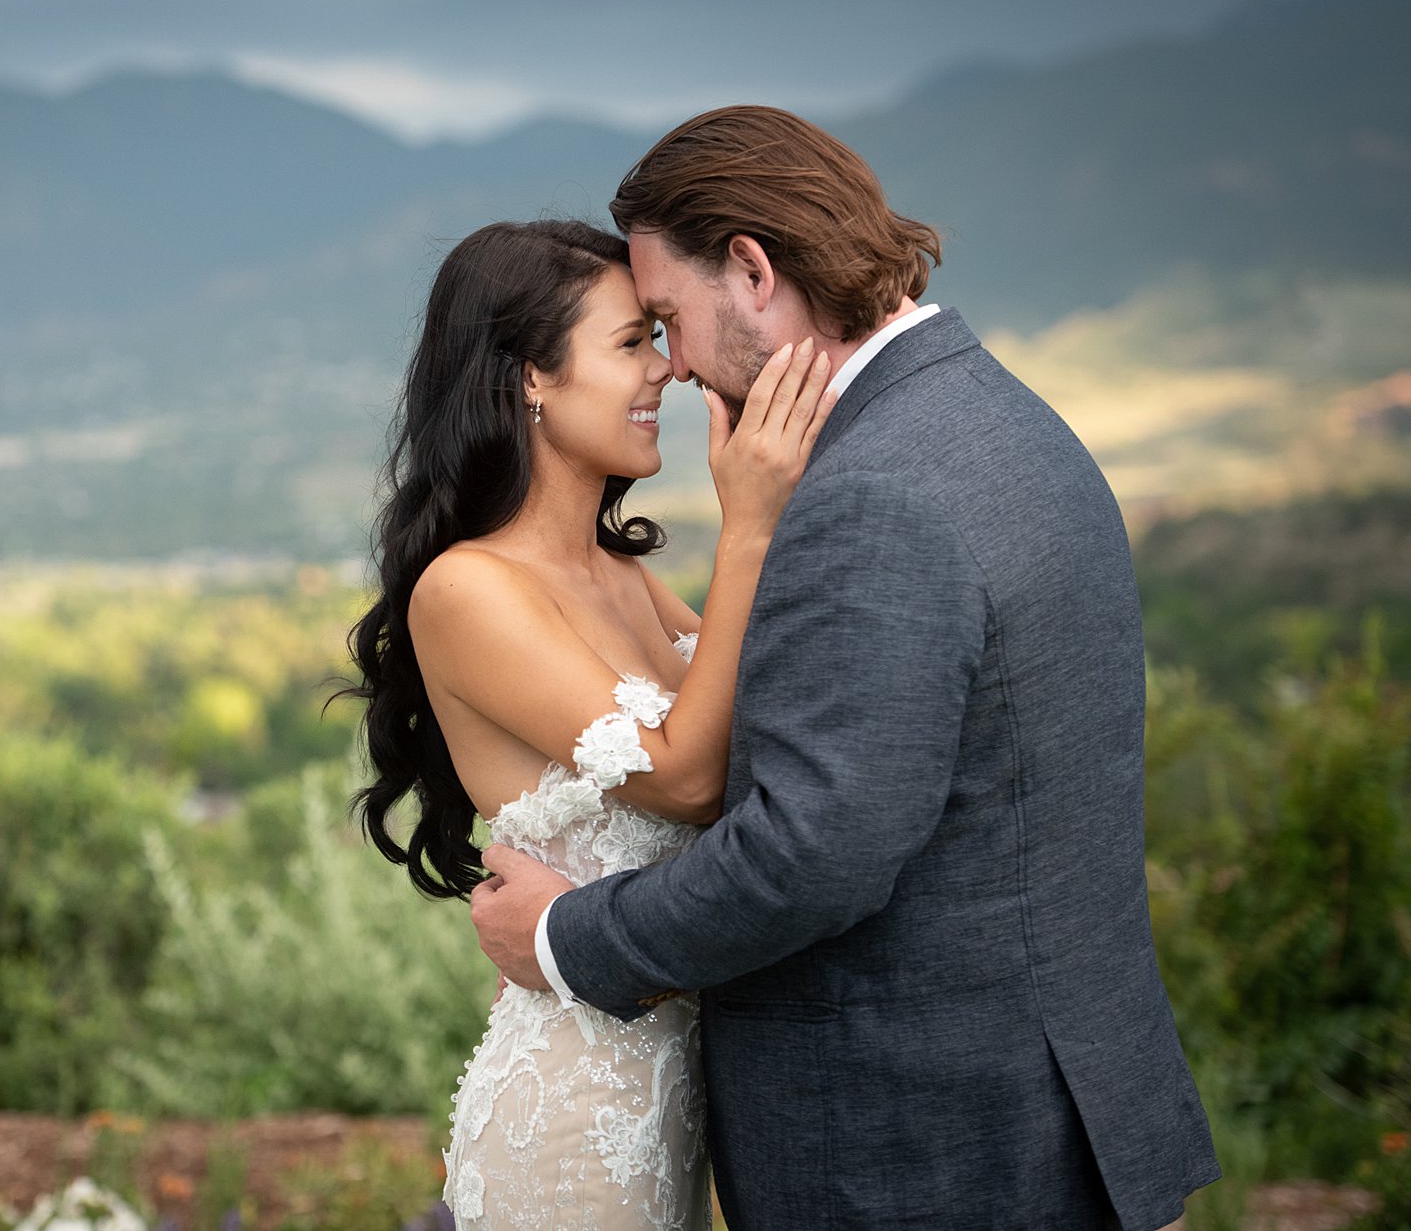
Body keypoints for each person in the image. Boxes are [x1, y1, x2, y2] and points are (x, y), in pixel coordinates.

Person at [468, 107, 1222, 1230]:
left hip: (919, 1152)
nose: (671, 365)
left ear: (753, 271)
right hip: (1052, 1112)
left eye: (667, 317)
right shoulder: (1001, 420)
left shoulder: (870, 496)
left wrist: (562, 936)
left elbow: (809, 856)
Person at [344, 216, 835, 1230]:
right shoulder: (466, 588)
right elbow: (690, 778)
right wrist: (746, 524)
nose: (666, 370)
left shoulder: (624, 578)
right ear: (530, 376)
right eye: (630, 342)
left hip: (681, 1106)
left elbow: (764, 732)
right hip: (569, 1125)